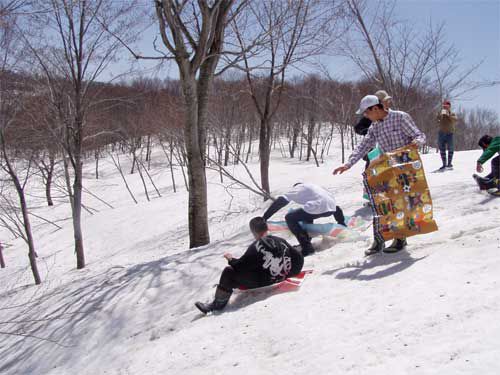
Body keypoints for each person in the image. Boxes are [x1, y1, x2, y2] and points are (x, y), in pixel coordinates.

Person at [333, 95, 427, 256]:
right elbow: (364, 145)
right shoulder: (375, 126)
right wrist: (348, 164)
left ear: (375, 109)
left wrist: (416, 143)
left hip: (405, 167)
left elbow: (420, 136)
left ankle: (400, 238)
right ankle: (380, 238)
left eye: (366, 112)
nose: (365, 116)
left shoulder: (400, 117)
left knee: (402, 204)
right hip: (387, 167)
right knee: (382, 204)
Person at [195, 217, 303, 314]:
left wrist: (231, 259)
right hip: (281, 276)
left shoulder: (256, 246)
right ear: (267, 228)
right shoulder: (281, 241)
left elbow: (240, 267)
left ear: (253, 231)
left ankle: (217, 304)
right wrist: (289, 273)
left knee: (228, 272)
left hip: (264, 282)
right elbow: (299, 258)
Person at [262, 183, 346, 256]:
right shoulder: (315, 187)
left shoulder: (298, 188)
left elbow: (281, 201)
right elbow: (335, 207)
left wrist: (265, 217)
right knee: (307, 214)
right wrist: (341, 221)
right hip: (332, 208)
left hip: (318, 206)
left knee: (290, 217)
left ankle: (307, 247)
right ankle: (343, 227)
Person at [437, 100, 458, 170]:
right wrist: (441, 115)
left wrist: (448, 115)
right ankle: (444, 164)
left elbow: (455, 120)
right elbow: (437, 119)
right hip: (441, 133)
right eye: (444, 106)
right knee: (442, 149)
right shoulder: (441, 112)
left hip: (450, 133)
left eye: (447, 106)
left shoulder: (452, 113)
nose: (445, 107)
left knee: (451, 148)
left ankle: (449, 164)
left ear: (449, 106)